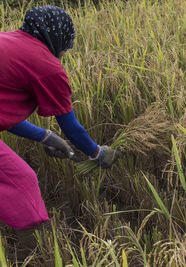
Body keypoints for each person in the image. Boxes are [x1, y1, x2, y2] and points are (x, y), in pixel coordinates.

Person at [0, 5, 121, 260]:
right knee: (22, 180)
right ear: (56, 38)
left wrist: (45, 136)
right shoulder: (46, 66)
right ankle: (33, 256)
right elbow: (71, 127)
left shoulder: (9, 41)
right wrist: (97, 153)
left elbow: (3, 112)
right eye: (68, 45)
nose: (66, 52)